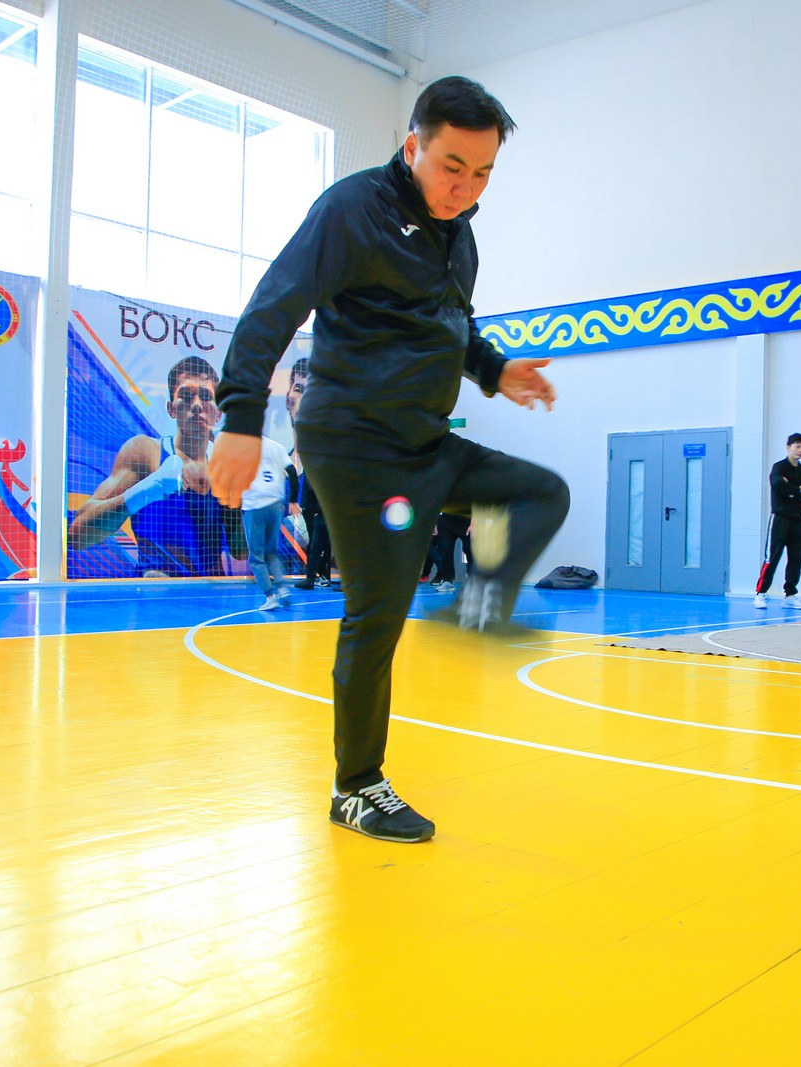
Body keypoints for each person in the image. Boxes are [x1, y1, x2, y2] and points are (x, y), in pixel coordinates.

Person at [210, 76, 569, 844]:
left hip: (425, 442)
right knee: (377, 615)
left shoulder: (459, 234)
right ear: (412, 146)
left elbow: (454, 328)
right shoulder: (353, 210)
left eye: (482, 174)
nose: (465, 188)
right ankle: (356, 786)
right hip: (353, 444)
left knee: (541, 492)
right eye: (451, 167)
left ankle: (479, 606)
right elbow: (274, 306)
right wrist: (240, 417)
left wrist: (495, 369)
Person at [69, 354, 246, 576]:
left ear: (218, 412)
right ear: (171, 408)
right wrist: (148, 489)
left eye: (205, 397)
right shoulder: (146, 453)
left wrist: (237, 505)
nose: (196, 405)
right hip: (156, 590)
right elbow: (78, 535)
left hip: (212, 591)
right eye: (186, 396)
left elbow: (240, 552)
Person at [754, 433, 801, 610]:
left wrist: (792, 489)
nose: (800, 450)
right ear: (788, 447)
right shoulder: (779, 468)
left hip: (799, 520)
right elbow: (779, 487)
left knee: (796, 558)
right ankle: (760, 593)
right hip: (780, 519)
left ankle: (790, 595)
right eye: (797, 446)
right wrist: (799, 489)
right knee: (772, 557)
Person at [241, 436, 300, 610]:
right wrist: (293, 500)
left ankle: (270, 596)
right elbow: (292, 472)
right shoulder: (276, 446)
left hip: (254, 504)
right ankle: (282, 588)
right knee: (271, 553)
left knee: (256, 557)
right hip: (275, 504)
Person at [430, 511, 473, 592]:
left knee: (469, 549)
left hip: (467, 519)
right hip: (446, 519)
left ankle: (472, 577)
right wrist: (434, 522)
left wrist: (475, 522)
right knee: (445, 548)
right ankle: (447, 580)